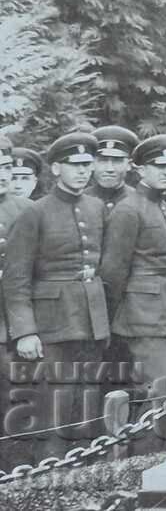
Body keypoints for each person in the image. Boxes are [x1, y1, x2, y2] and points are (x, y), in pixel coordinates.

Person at [5, 133, 110, 460]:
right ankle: (50, 474)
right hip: (51, 324)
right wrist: (25, 331)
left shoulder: (95, 207)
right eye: (75, 165)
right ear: (55, 168)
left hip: (92, 319)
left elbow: (103, 265)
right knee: (54, 402)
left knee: (88, 399)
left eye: (87, 165)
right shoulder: (34, 213)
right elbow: (17, 276)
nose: (83, 172)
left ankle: (86, 467)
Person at [101, 134, 166, 449]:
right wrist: (115, 320)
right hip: (143, 318)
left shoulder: (162, 205)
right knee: (154, 397)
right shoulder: (130, 210)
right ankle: (146, 464)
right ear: (140, 170)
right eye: (159, 166)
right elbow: (113, 272)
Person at [0, 143, 33, 470]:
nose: (2, 175)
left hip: (13, 325)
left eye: (6, 167)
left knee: (16, 402)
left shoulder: (26, 209)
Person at [86, 125, 137, 216]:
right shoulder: (78, 200)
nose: (110, 169)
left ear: (129, 165)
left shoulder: (141, 202)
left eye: (117, 161)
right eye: (103, 160)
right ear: (91, 164)